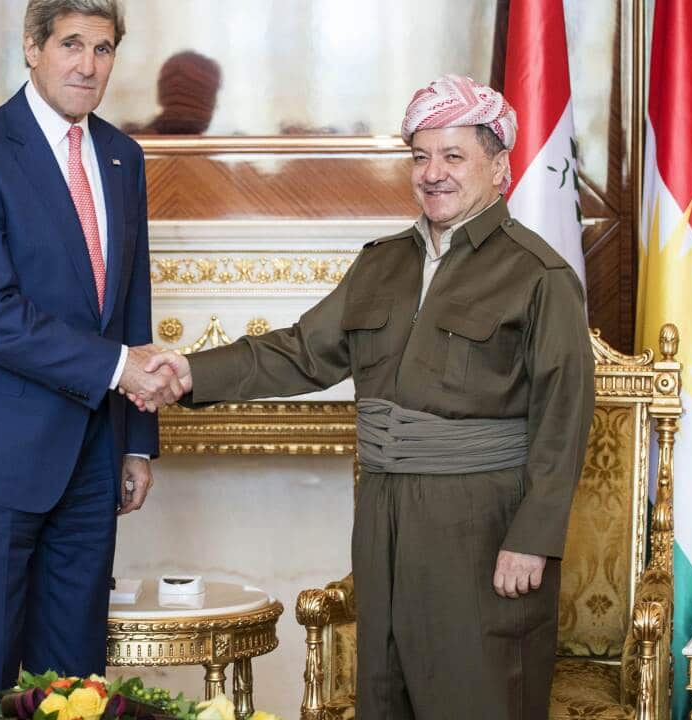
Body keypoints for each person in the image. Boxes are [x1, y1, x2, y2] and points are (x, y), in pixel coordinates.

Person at [138, 75, 595, 719]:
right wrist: (187, 372)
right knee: (385, 692)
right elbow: (301, 352)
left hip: (481, 520)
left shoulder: (538, 274)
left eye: (453, 156)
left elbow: (565, 414)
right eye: (420, 156)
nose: (432, 173)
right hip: (381, 509)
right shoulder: (382, 263)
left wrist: (534, 536)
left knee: (477, 690)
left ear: (499, 167)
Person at [0, 0, 184, 694]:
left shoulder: (124, 156)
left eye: (102, 49)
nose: (87, 65)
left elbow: (131, 304)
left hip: (93, 456)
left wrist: (135, 441)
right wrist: (121, 369)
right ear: (32, 48)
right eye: (71, 45)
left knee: (73, 680)